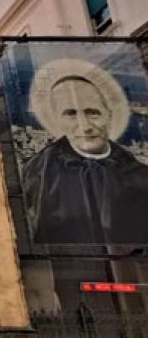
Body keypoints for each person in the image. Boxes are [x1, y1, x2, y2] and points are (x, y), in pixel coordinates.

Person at [23, 73, 148, 245]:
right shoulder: (37, 171)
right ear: (57, 120)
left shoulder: (139, 174)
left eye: (93, 113)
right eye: (71, 114)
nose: (85, 126)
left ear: (109, 115)